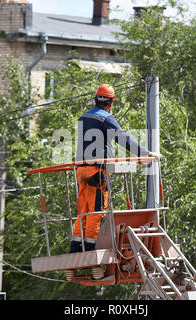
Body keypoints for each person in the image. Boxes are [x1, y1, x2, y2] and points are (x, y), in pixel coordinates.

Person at [68, 84, 162, 256]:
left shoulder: (83, 117)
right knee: (96, 213)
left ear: (96, 99)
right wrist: (146, 154)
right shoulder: (105, 118)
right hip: (96, 172)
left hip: (81, 170)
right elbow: (123, 139)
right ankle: (89, 251)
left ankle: (75, 249)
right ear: (111, 102)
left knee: (83, 212)